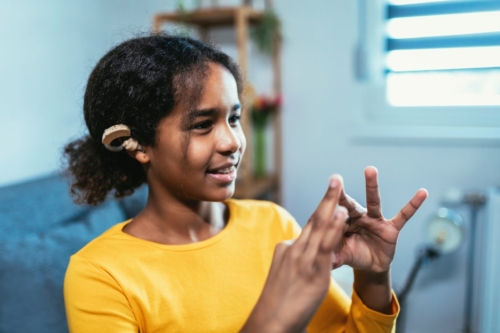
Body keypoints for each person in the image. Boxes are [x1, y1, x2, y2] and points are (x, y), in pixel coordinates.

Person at [63, 34, 428, 333]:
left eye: (234, 118)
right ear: (139, 145)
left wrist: (374, 276)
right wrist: (271, 322)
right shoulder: (100, 274)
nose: (233, 141)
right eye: (203, 124)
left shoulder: (272, 223)